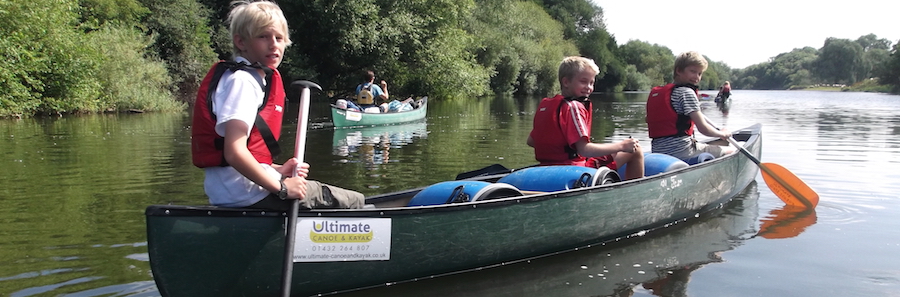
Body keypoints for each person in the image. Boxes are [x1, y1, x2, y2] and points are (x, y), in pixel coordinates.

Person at [191, 0, 364, 211]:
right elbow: (234, 153)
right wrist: (282, 188)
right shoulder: (244, 82)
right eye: (263, 36)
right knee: (356, 202)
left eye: (279, 38)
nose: (273, 44)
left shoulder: (243, 78)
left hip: (234, 193)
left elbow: (243, 155)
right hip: (249, 195)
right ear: (241, 42)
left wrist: (279, 170)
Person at [526, 56, 644, 180]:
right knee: (635, 150)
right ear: (566, 82)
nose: (588, 87)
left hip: (546, 166)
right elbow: (584, 150)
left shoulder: (547, 106)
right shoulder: (574, 107)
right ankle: (635, 194)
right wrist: (622, 146)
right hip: (574, 170)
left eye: (592, 83)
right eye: (583, 81)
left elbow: (531, 141)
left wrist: (555, 151)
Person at [646, 51, 735, 162]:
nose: (696, 77)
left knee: (709, 144)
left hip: (658, 151)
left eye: (700, 73)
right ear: (679, 71)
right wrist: (722, 134)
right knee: (732, 150)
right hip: (683, 152)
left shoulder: (659, 93)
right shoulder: (687, 93)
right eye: (693, 71)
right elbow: (703, 129)